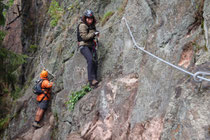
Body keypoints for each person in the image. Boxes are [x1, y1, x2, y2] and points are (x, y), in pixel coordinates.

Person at [78, 10, 100, 87]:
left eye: (91, 19)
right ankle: (91, 79)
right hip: (84, 46)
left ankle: (95, 80)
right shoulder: (82, 25)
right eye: (88, 18)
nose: (90, 20)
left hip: (91, 45)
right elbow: (84, 37)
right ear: (85, 18)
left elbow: (93, 34)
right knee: (90, 60)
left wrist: (96, 33)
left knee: (95, 61)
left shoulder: (92, 25)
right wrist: (94, 34)